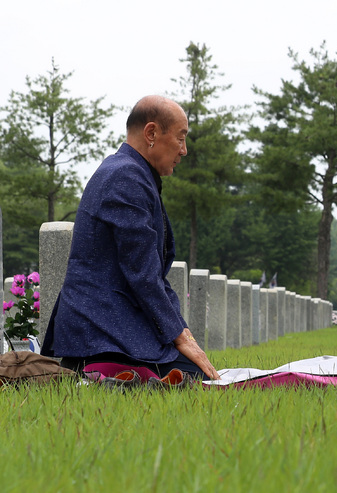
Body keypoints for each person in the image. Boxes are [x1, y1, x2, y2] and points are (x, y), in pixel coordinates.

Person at [41, 95, 220, 381]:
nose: (184, 150)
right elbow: (143, 274)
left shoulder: (133, 173)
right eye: (180, 138)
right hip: (100, 331)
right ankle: (87, 369)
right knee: (195, 377)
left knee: (196, 372)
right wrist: (179, 337)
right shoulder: (125, 177)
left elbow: (151, 274)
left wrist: (182, 332)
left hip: (112, 325)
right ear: (151, 133)